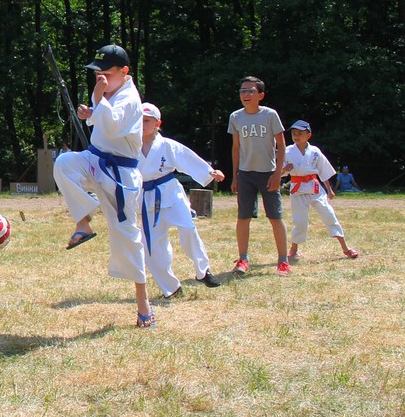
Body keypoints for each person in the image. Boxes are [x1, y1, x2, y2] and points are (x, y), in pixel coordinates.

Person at [53, 44, 154, 328]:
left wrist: (97, 99)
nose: (102, 81)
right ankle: (84, 222)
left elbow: (111, 125)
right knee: (64, 164)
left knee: (127, 237)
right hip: (95, 160)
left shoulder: (130, 98)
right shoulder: (111, 92)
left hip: (120, 176)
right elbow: (101, 123)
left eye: (107, 75)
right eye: (98, 76)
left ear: (125, 72)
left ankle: (143, 303)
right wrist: (90, 113)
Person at [137, 102, 225, 298]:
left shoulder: (167, 145)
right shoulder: (128, 146)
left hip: (170, 194)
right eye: (139, 120)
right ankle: (171, 287)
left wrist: (209, 172)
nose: (142, 124)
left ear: (157, 123)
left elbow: (187, 158)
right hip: (146, 199)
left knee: (188, 228)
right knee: (151, 248)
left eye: (147, 120)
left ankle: (203, 271)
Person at [228, 76, 289, 275]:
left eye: (250, 91)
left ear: (260, 95)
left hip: (268, 174)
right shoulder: (236, 117)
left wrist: (278, 174)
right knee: (243, 217)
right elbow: (236, 148)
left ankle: (283, 260)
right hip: (246, 174)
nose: (245, 94)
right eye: (242, 91)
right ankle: (243, 259)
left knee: (275, 217)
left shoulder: (270, 115)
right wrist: (235, 176)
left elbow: (281, 145)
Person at [283, 120, 359, 263]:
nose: (296, 136)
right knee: (300, 221)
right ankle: (293, 250)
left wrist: (329, 190)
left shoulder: (315, 152)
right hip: (298, 189)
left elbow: (324, 171)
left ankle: (345, 247)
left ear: (308, 135)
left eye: (300, 133)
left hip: (315, 188)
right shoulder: (287, 151)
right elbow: (279, 172)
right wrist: (285, 170)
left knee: (329, 214)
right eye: (294, 134)